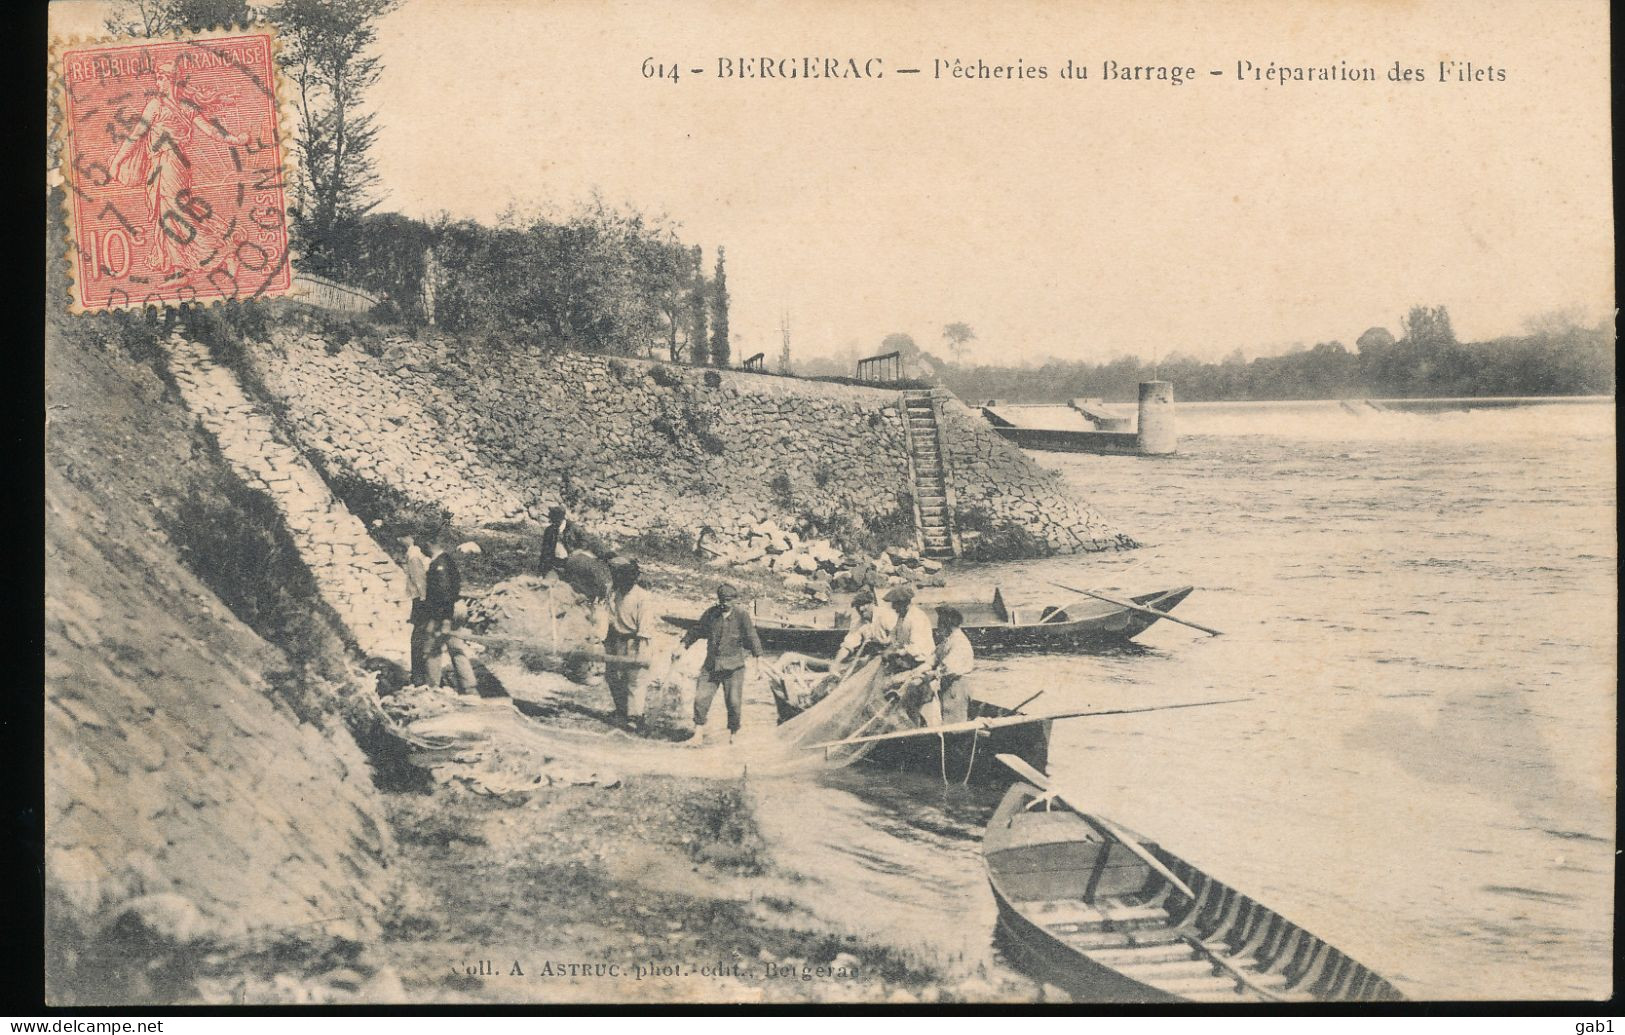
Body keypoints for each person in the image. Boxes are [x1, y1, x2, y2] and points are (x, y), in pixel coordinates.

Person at [678, 584, 763, 745]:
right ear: (719, 600)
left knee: (733, 702)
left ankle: (733, 734)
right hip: (711, 666)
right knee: (700, 698)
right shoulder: (711, 614)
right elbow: (696, 630)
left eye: (729, 601)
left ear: (735, 600)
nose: (725, 604)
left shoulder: (742, 615)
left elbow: (753, 638)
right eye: (723, 601)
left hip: (734, 667)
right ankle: (698, 734)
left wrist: (758, 663)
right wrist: (682, 646)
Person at [602, 557, 653, 731]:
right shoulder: (613, 591)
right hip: (615, 637)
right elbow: (610, 614)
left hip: (634, 640)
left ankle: (635, 715)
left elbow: (645, 628)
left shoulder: (642, 597)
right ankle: (621, 710)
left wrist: (639, 652)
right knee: (612, 676)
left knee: (634, 679)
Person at [423, 535, 477, 695]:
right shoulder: (448, 559)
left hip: (446, 610)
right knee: (455, 646)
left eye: (423, 545)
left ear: (429, 543)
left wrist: (445, 620)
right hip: (457, 607)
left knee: (431, 648)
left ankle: (432, 688)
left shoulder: (439, 564)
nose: (421, 549)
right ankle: (469, 687)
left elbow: (444, 594)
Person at [401, 535, 432, 684]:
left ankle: (419, 676)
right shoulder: (415, 553)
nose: (398, 541)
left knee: (418, 639)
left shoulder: (413, 555)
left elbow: (420, 580)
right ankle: (420, 675)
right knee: (419, 638)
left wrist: (423, 603)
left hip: (421, 601)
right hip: (421, 600)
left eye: (400, 538)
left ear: (409, 538)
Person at [832, 594, 891, 666]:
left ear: (871, 603)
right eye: (857, 606)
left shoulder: (885, 615)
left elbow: (897, 637)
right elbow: (848, 644)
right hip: (876, 654)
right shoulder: (859, 623)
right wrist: (835, 664)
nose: (860, 609)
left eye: (863, 605)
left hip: (891, 651)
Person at [539, 506, 582, 577]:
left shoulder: (573, 528)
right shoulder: (549, 530)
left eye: (555, 519)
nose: (553, 522)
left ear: (561, 518)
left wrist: (577, 551)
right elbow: (545, 550)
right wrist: (542, 569)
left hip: (569, 562)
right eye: (552, 519)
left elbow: (585, 541)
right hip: (553, 562)